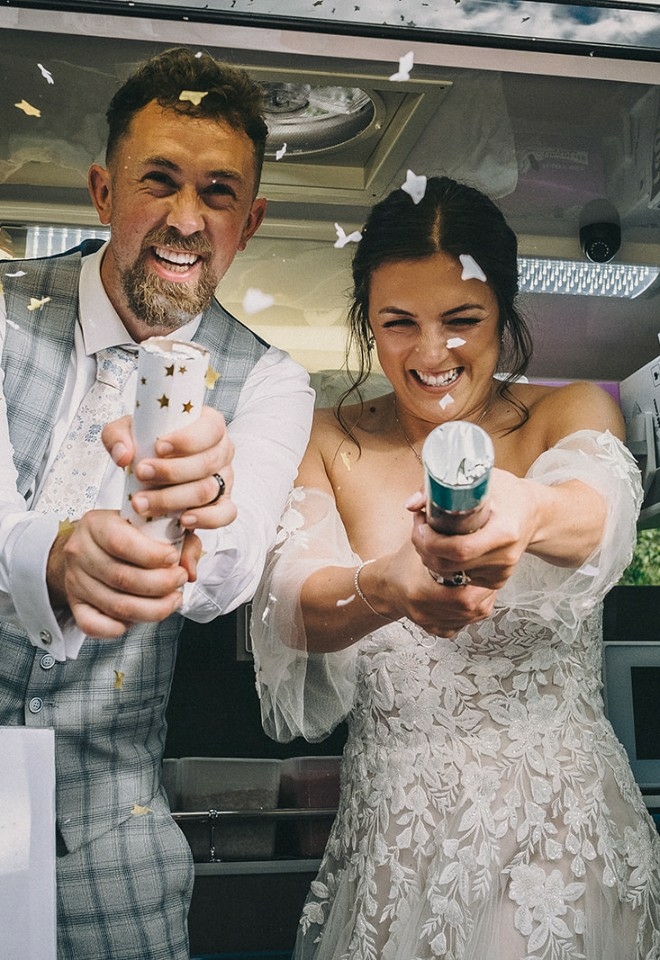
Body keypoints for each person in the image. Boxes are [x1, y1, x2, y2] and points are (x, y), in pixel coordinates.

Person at [251, 176, 660, 959]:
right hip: (392, 842)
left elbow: (599, 506)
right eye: (398, 323)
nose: (432, 353)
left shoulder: (565, 409)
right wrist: (384, 587)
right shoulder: (327, 440)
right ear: (367, 325)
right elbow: (292, 600)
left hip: (557, 840)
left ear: (504, 316)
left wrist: (526, 512)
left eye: (462, 321)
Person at [0, 47, 313, 960]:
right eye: (159, 181)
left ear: (248, 220)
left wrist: (202, 507)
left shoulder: (270, 381)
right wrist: (52, 556)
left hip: (111, 825)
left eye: (218, 192)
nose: (186, 218)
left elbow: (230, 572)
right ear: (103, 192)